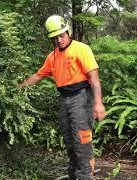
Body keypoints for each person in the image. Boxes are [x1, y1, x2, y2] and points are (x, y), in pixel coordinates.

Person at [20, 15, 106, 180]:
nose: (59, 40)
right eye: (55, 37)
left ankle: (85, 175)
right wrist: (19, 87)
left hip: (82, 98)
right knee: (69, 141)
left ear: (68, 32)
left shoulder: (81, 49)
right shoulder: (52, 57)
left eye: (61, 35)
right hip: (64, 99)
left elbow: (94, 79)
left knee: (81, 140)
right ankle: (74, 175)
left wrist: (98, 103)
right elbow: (38, 76)